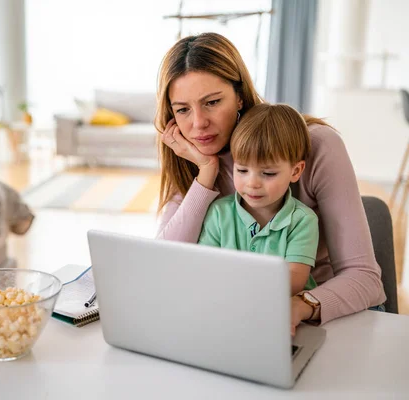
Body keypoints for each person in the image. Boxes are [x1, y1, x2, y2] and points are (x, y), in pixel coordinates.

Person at [155, 32, 385, 335]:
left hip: (323, 315)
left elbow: (364, 278)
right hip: (239, 316)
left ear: (239, 95)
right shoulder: (190, 157)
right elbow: (165, 266)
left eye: (212, 102)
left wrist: (302, 305)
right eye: (182, 109)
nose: (198, 124)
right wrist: (206, 172)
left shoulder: (317, 146)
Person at [197, 103, 318, 297]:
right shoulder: (219, 213)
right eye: (242, 170)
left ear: (295, 171)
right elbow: (205, 267)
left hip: (287, 312)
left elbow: (295, 280)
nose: (252, 183)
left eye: (268, 173)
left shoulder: (302, 220)